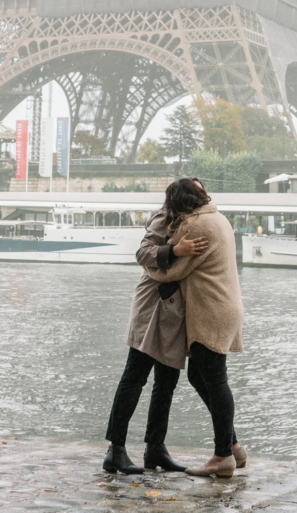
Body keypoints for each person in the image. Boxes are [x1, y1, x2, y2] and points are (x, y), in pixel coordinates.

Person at [101, 180, 209, 475]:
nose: (203, 197)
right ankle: (116, 450)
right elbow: (143, 253)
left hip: (174, 309)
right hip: (152, 306)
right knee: (134, 377)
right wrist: (175, 250)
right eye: (197, 192)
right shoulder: (165, 216)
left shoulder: (194, 219)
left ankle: (155, 450)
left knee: (166, 382)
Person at [146, 178, 247, 479]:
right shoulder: (219, 218)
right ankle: (234, 447)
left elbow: (173, 270)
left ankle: (222, 457)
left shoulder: (194, 227)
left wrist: (150, 266)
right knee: (203, 377)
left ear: (179, 202)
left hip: (210, 311)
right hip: (226, 307)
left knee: (215, 381)